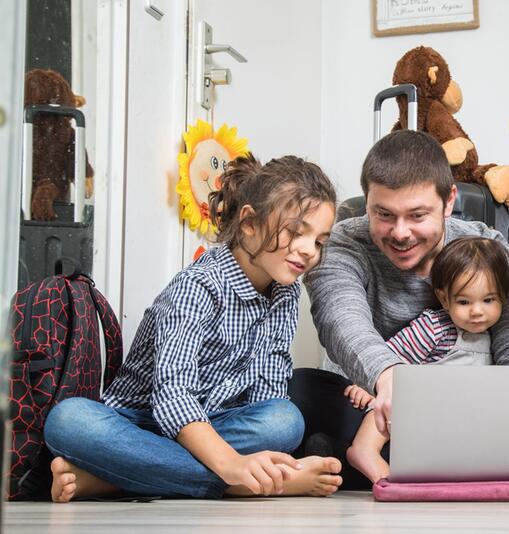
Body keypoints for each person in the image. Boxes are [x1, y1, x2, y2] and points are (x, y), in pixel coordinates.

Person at [43, 154, 344, 502]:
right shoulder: (198, 286)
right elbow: (172, 396)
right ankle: (235, 484)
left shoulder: (286, 293)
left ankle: (117, 478)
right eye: (295, 232)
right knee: (69, 420)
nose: (309, 251)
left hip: (215, 425)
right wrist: (232, 465)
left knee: (285, 419)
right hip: (141, 422)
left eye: (319, 241)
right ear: (248, 222)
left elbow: (267, 394)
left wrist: (246, 451)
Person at [293, 130, 509, 489]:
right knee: (298, 390)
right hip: (367, 405)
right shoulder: (341, 242)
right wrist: (389, 377)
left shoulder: (490, 249)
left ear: (448, 202)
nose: (400, 233)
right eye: (383, 214)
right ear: (366, 203)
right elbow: (341, 318)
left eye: (417, 215)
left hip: (466, 406)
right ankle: (373, 455)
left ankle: (346, 460)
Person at [343, 236, 509, 483]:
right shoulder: (435, 327)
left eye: (488, 300)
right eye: (464, 301)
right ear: (444, 299)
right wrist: (366, 387)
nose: (477, 311)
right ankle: (365, 449)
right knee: (397, 395)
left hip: (456, 422)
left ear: (503, 298)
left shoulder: (497, 339)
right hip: (420, 413)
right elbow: (387, 359)